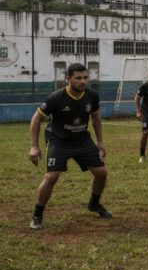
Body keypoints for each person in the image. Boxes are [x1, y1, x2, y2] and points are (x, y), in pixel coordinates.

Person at [28, 63, 110, 230]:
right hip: (59, 140)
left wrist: (99, 141)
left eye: (85, 78)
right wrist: (34, 146)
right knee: (51, 177)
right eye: (78, 78)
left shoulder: (92, 96)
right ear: (68, 79)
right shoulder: (56, 98)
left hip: (82, 140)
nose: (83, 81)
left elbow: (95, 117)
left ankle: (93, 204)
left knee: (101, 173)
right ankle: (37, 215)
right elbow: (36, 118)